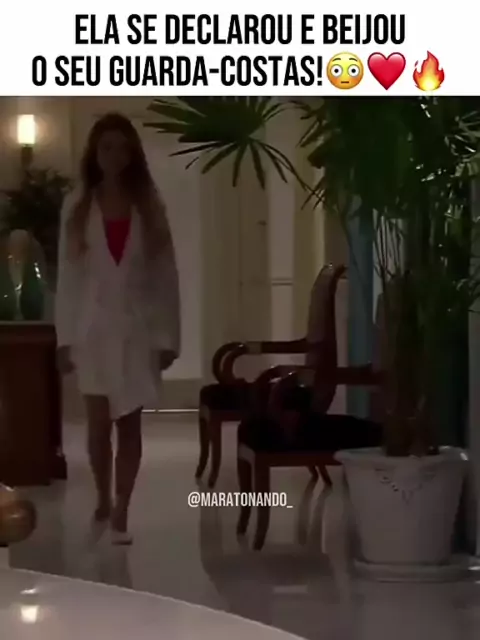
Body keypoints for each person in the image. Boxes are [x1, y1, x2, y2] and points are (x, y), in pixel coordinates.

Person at [55, 113, 180, 545]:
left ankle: (122, 509)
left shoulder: (149, 205)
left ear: (133, 154)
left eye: (122, 148)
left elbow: (166, 277)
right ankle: (103, 497)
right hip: (92, 329)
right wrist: (64, 338)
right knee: (97, 425)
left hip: (136, 328)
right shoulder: (77, 205)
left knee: (129, 422)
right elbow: (69, 279)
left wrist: (168, 337)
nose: (114, 156)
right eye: (106, 147)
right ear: (94, 152)